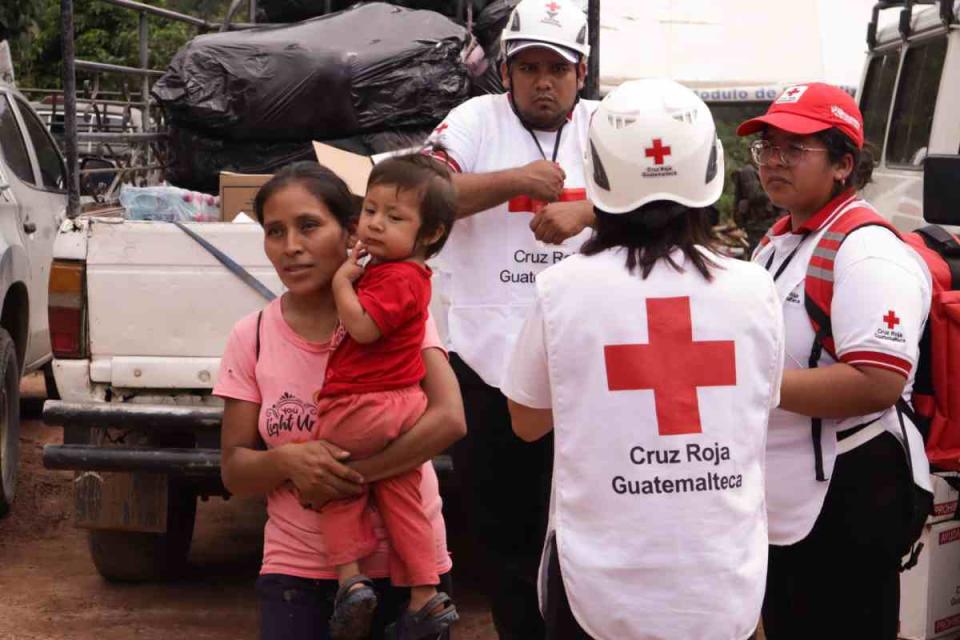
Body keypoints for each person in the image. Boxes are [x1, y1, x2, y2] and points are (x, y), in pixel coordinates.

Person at [503, 78, 784, 640]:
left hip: (598, 587)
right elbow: (759, 405)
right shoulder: (754, 287)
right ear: (708, 172)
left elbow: (527, 422)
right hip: (721, 583)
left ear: (599, 174)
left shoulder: (563, 289)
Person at [214, 161, 466, 640]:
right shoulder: (253, 337)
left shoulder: (396, 316)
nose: (291, 247)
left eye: (309, 226)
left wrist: (341, 476)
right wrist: (290, 460)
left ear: (352, 231)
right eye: (274, 231)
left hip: (411, 574)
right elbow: (234, 468)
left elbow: (450, 419)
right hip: (298, 575)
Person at [736, 83, 934, 640]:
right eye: (767, 147)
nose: (773, 161)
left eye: (794, 149)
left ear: (844, 164)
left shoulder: (868, 251)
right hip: (798, 488)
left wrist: (751, 386)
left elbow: (877, 381)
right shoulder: (781, 240)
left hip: (853, 490)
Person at [425, 1, 598, 635]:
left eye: (558, 68)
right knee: (506, 539)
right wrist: (514, 180)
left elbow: (669, 206)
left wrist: (590, 215)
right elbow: (428, 190)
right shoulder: (476, 119)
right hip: (488, 364)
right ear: (506, 71)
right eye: (528, 67)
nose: (543, 81)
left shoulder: (608, 127)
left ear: (582, 73)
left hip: (591, 368)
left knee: (592, 529)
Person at [314, 154, 459, 640]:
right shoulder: (400, 272)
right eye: (371, 210)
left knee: (332, 482)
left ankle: (350, 578)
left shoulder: (400, 277)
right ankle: (424, 594)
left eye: (394, 218)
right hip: (398, 407)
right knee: (403, 499)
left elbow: (362, 327)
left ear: (432, 233)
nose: (375, 224)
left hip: (363, 405)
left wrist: (340, 282)